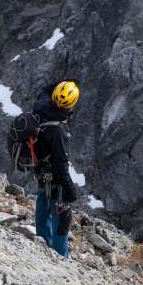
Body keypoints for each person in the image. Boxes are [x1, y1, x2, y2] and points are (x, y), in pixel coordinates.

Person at [32, 80, 80, 257]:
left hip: (40, 172)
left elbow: (44, 88)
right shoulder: (58, 131)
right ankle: (60, 257)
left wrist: (64, 81)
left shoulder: (40, 107)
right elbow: (61, 165)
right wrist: (70, 189)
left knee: (43, 212)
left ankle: (41, 249)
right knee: (62, 218)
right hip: (55, 180)